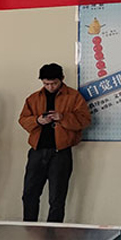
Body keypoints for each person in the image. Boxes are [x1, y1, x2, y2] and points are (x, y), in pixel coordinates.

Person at [17, 64, 92, 223]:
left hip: (61, 152)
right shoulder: (33, 98)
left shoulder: (73, 97)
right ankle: (29, 228)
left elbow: (85, 120)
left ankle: (53, 231)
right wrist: (37, 120)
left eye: (54, 83)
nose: (50, 87)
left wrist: (62, 117)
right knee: (29, 193)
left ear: (62, 79)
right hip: (37, 150)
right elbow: (23, 120)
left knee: (57, 197)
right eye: (46, 84)